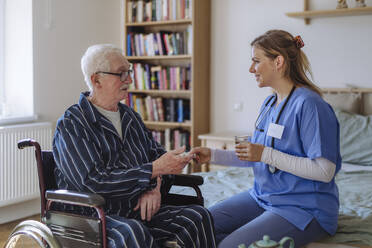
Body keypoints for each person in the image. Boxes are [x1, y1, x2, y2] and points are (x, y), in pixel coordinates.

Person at [53, 44, 216, 248]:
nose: (129, 80)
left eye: (128, 72)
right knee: (132, 232)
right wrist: (152, 171)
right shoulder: (73, 124)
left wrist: (154, 187)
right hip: (93, 216)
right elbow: (93, 182)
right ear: (96, 80)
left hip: (136, 209)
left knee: (197, 217)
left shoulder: (130, 117)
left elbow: (158, 158)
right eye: (121, 74)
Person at [192, 30, 341, 248]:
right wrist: (213, 154)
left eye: (256, 61)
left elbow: (325, 171)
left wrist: (265, 154)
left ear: (278, 61)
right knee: (196, 226)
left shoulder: (310, 105)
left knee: (229, 246)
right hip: (262, 197)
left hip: (303, 208)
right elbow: (255, 154)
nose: (251, 69)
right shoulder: (270, 104)